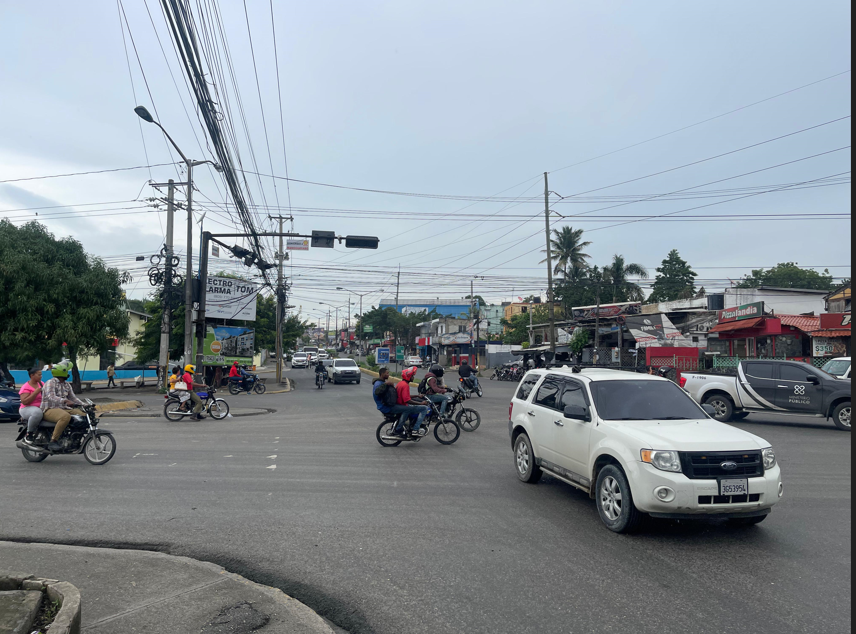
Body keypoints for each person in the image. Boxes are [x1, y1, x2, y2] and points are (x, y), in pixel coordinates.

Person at [40, 361, 86, 451]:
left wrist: (85, 405)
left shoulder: (67, 384)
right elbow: (51, 397)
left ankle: (73, 437)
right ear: (62, 372)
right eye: (66, 372)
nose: (68, 373)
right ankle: (53, 441)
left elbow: (73, 398)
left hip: (64, 408)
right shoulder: (51, 382)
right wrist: (64, 400)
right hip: (49, 409)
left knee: (82, 414)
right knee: (65, 417)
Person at [373, 367, 423, 439]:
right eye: (387, 373)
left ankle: (406, 426)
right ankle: (399, 429)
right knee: (407, 409)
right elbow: (377, 392)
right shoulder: (379, 383)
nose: (388, 375)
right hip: (386, 407)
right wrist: (386, 384)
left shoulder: (381, 382)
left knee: (407, 408)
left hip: (387, 405)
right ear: (382, 374)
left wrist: (417, 396)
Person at [396, 366, 430, 437]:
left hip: (400, 404)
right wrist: (421, 403)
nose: (413, 378)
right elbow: (407, 400)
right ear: (408, 377)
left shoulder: (401, 383)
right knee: (424, 408)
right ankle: (415, 429)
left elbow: (406, 396)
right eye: (412, 376)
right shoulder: (405, 385)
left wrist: (417, 396)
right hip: (404, 405)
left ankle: (412, 424)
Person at [19, 368, 45, 446]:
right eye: (39, 375)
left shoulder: (41, 384)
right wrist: (35, 393)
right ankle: (29, 433)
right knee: (37, 412)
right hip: (27, 408)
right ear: (32, 375)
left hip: (41, 407)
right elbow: (25, 402)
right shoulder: (25, 387)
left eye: (41, 374)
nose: (41, 376)